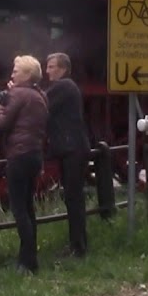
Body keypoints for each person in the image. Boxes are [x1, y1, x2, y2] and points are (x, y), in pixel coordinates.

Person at [0, 55, 48, 274]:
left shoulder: (18, 94)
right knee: (28, 207)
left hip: (19, 155)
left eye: (16, 71)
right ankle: (30, 259)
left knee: (19, 209)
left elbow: (4, 123)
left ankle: (26, 262)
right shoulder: (40, 95)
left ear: (26, 74)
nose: (12, 74)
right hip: (35, 153)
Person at [42, 52, 90, 258]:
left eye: (51, 67)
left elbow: (41, 102)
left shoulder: (64, 86)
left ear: (63, 69)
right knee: (73, 197)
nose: (47, 71)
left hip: (72, 149)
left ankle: (78, 247)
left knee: (74, 198)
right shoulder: (66, 87)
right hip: (71, 148)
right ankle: (78, 244)